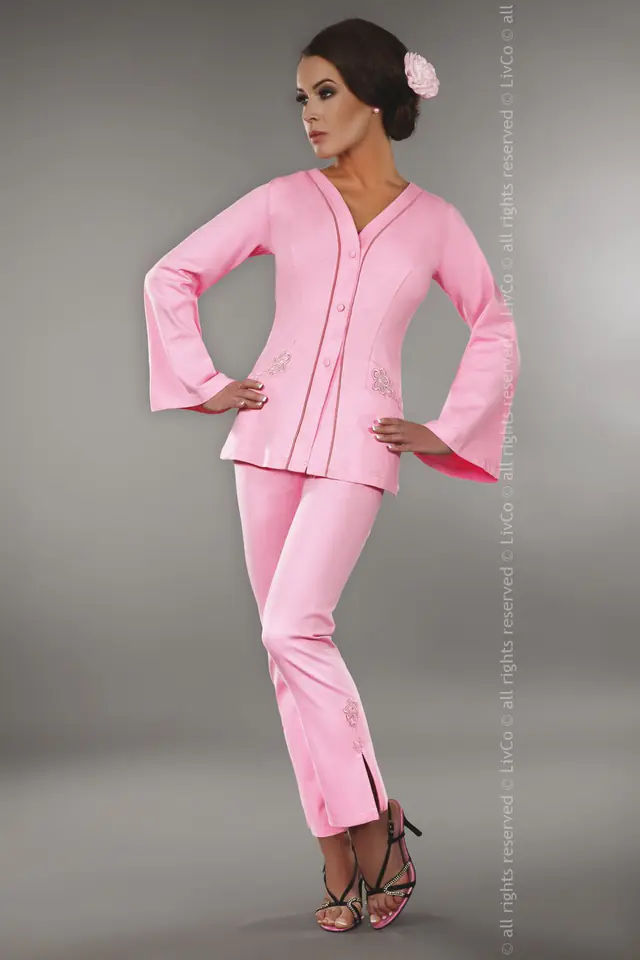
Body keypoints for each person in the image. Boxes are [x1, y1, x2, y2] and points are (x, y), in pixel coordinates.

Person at [143, 17, 520, 934]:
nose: (308, 112)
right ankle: (339, 849)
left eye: (325, 92)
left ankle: (376, 827)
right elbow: (170, 276)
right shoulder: (283, 200)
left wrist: (444, 428)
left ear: (377, 98)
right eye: (301, 97)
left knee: (293, 628)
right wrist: (205, 381)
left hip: (359, 448)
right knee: (285, 652)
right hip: (264, 446)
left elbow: (494, 325)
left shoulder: (436, 223)